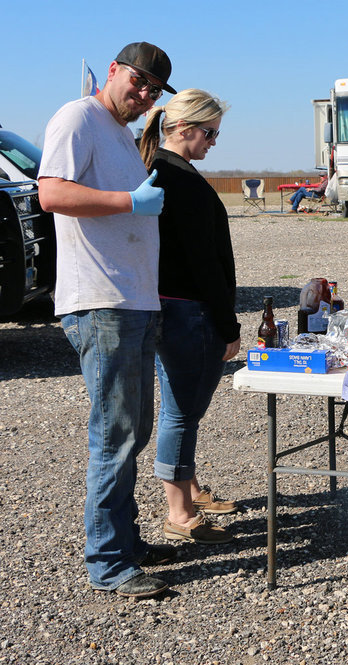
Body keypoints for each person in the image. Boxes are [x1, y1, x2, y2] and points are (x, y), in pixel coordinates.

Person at [38, 42, 178, 599]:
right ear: (114, 71)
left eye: (153, 91)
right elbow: (51, 193)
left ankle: (126, 540)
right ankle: (109, 562)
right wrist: (129, 203)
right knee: (115, 436)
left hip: (134, 302)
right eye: (137, 82)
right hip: (101, 302)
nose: (143, 96)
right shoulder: (78, 116)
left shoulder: (120, 131)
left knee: (134, 431)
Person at [139, 89, 240, 546]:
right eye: (210, 132)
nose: (213, 142)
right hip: (189, 310)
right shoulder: (178, 178)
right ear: (183, 128)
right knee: (182, 413)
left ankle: (190, 490)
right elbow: (205, 263)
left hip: (171, 306)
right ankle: (178, 513)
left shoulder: (162, 169)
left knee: (178, 408)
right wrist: (229, 325)